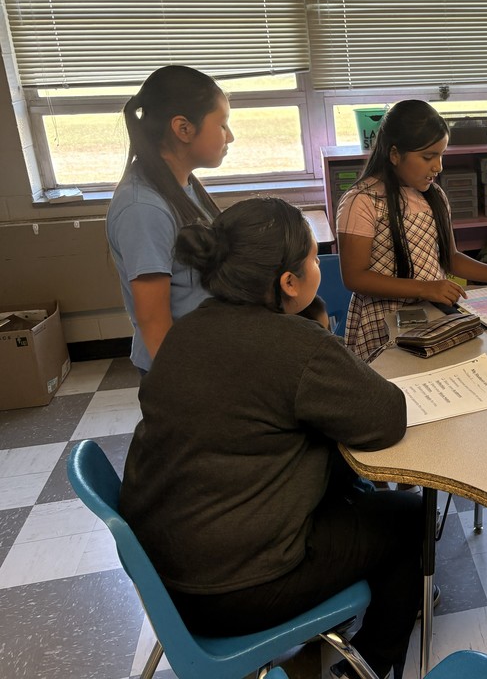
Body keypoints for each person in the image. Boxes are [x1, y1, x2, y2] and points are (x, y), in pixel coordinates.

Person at [120, 197, 421, 679]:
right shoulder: (296, 346)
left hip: (167, 579)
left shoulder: (186, 332)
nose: (318, 262)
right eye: (312, 255)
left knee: (344, 486)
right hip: (240, 589)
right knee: (411, 519)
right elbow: (386, 419)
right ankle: (370, 664)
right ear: (288, 281)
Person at [336, 99, 487, 361]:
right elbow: (355, 277)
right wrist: (425, 288)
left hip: (432, 320)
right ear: (395, 154)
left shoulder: (433, 195)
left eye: (441, 155)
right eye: (428, 157)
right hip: (381, 326)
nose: (438, 166)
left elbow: (451, 258)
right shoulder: (362, 201)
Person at [106, 65, 232, 373]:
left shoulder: (182, 185)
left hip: (206, 355)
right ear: (183, 129)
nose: (231, 136)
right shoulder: (143, 208)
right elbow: (153, 321)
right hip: (180, 368)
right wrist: (181, 389)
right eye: (223, 124)